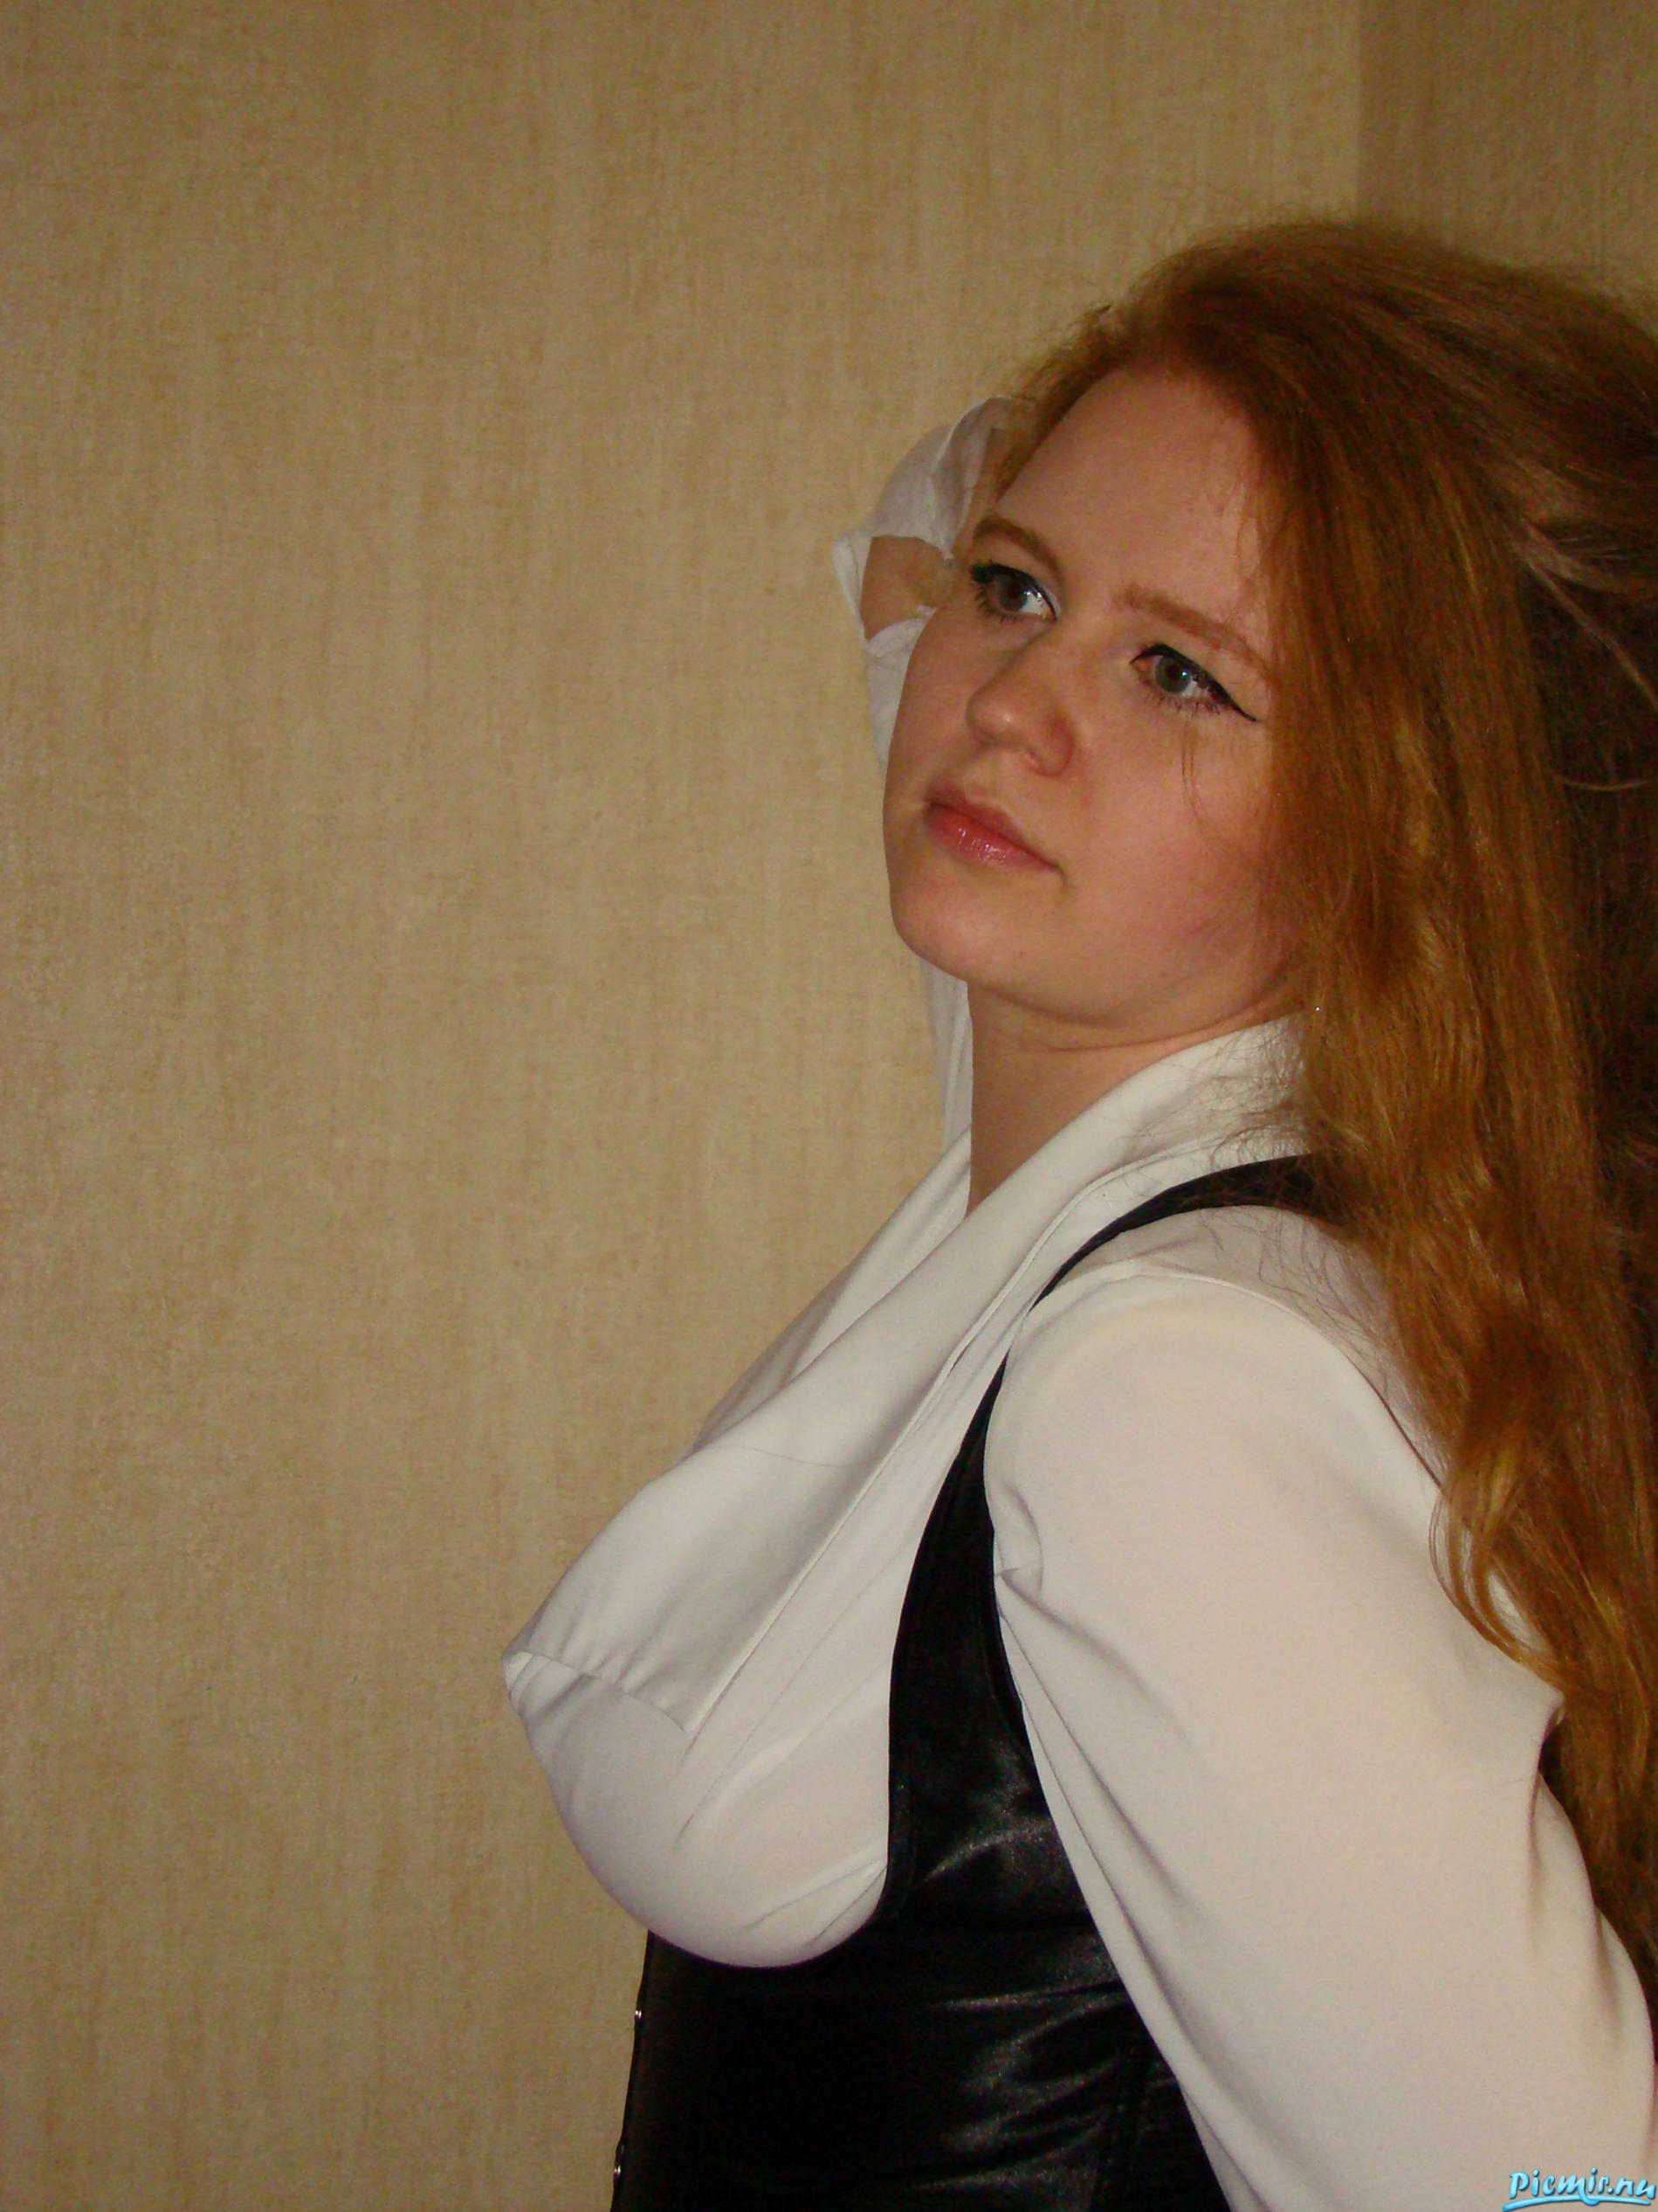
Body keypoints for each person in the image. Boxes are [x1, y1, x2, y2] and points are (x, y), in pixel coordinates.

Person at [504, 220, 1658, 2209]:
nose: (1007, 706)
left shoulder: (1167, 1388)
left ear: (1411, 828)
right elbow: (924, 534)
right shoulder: (1070, 1142)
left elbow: (1553, 2199)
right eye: (1015, 588)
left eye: (1180, 674)